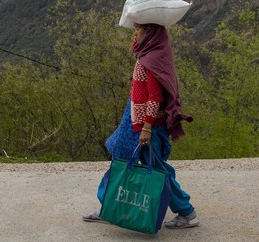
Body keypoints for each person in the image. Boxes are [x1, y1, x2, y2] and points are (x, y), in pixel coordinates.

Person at [83, 22, 198, 229]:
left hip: (146, 127)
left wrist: (146, 128)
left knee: (155, 171)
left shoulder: (150, 61)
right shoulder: (148, 56)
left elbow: (154, 98)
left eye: (139, 29)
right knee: (120, 162)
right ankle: (107, 206)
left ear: (150, 33)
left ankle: (186, 212)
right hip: (133, 123)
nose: (135, 32)